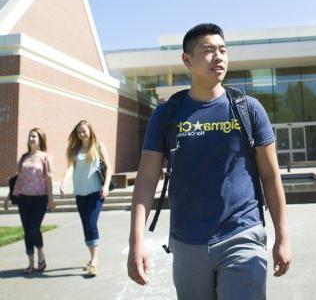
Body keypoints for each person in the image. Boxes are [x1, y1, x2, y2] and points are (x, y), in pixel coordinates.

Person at [128, 23, 291, 300]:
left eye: (223, 50)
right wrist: (137, 241)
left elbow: (271, 176)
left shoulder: (248, 109)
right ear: (187, 60)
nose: (219, 57)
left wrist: (282, 238)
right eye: (208, 50)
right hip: (187, 242)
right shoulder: (167, 115)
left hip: (242, 234)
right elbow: (146, 179)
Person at [60, 120, 112, 277]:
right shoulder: (75, 150)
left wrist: (106, 186)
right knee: (86, 226)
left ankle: (95, 260)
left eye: (84, 131)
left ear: (90, 131)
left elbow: (109, 167)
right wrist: (63, 182)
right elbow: (70, 168)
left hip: (96, 192)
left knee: (91, 223)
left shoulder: (98, 147)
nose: (82, 134)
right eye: (79, 132)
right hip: (80, 193)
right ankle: (92, 257)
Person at [3, 128, 56, 274]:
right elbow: (17, 180)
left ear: (40, 139)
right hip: (23, 198)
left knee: (33, 227)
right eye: (30, 136)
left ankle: (41, 253)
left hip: (40, 198)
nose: (31, 138)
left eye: (34, 136)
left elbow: (49, 179)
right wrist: (8, 197)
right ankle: (31, 264)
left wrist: (51, 200)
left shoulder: (45, 157)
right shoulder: (24, 157)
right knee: (27, 231)